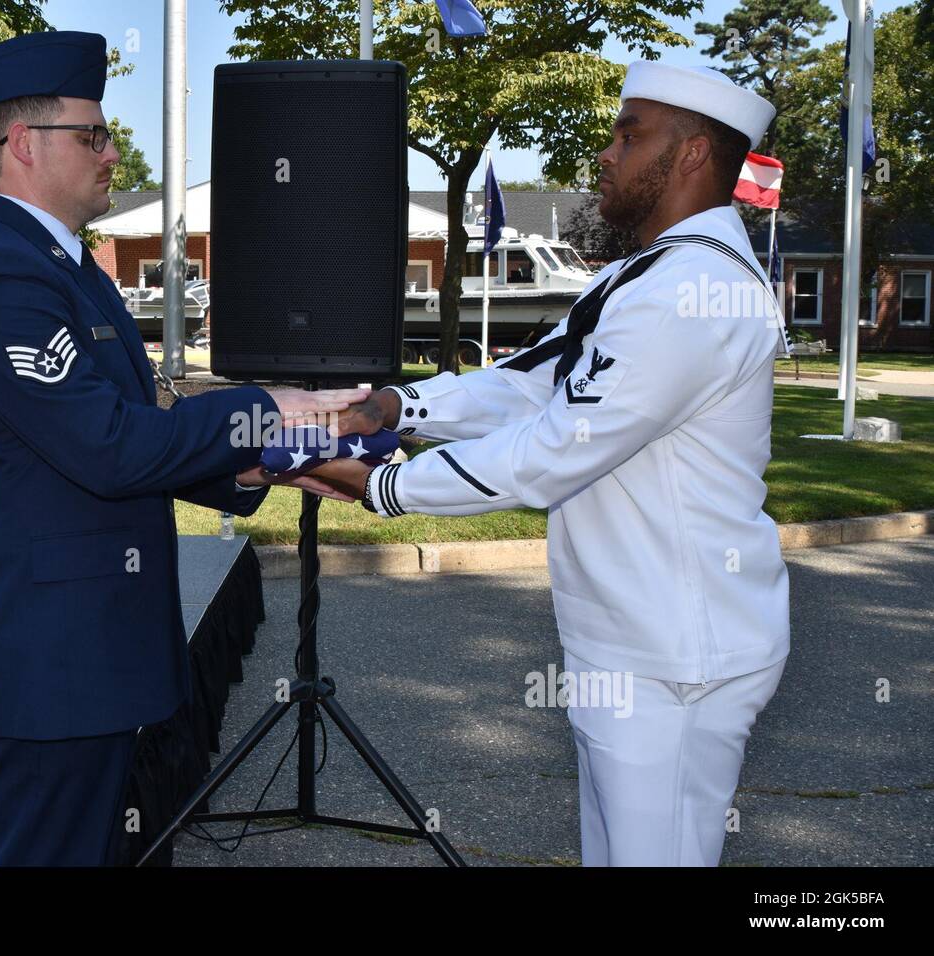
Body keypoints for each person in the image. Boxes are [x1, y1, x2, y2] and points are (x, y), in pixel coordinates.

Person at [317, 62, 790, 866]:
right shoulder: (645, 276)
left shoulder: (693, 288)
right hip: (633, 639)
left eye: (629, 135)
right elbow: (532, 380)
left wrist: (383, 486)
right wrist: (399, 409)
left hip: (673, 650)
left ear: (692, 155)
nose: (605, 154)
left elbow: (553, 451)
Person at [0, 30, 365, 866]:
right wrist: (264, 409)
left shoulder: (70, 271)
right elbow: (109, 447)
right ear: (23, 144)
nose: (112, 150)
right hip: (52, 663)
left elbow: (134, 427)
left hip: (96, 648)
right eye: (92, 134)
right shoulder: (0, 277)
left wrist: (270, 459)